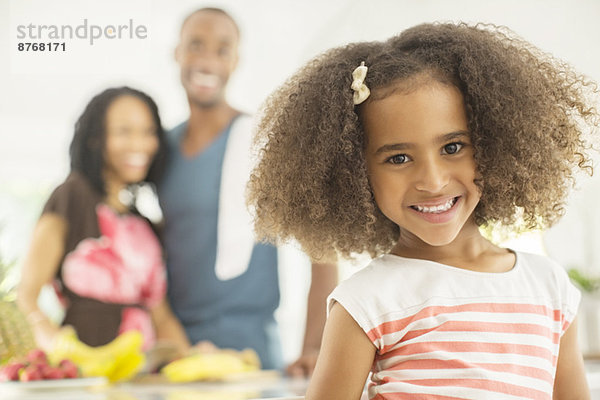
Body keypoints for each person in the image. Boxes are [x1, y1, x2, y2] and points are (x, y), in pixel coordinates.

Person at [247, 23, 599, 399]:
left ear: (493, 142)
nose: (432, 181)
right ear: (354, 174)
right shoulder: (365, 303)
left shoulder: (549, 287)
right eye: (399, 157)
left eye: (452, 147)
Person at [159, 7, 338, 372]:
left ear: (236, 60)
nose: (208, 58)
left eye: (222, 49)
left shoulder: (263, 142)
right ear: (176, 53)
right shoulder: (160, 150)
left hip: (251, 358)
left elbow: (323, 251)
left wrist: (314, 348)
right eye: (196, 44)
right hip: (175, 358)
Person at [17, 87, 190, 356]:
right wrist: (64, 353)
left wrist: (190, 361)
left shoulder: (141, 223)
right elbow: (26, 298)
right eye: (124, 131)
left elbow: (161, 316)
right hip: (86, 379)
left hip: (141, 380)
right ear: (95, 139)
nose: (139, 144)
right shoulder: (71, 196)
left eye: (148, 132)